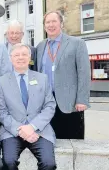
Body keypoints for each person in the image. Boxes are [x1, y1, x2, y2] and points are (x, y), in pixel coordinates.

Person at [0, 43, 56, 170]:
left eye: (24, 54)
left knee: (49, 164)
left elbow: (50, 106)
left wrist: (32, 127)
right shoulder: (1, 82)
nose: (20, 57)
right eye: (16, 55)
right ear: (11, 58)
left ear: (30, 58)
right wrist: (20, 130)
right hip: (12, 131)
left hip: (40, 130)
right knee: (8, 162)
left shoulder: (42, 78)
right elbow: (1, 112)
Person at [36, 11, 90, 139]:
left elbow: (84, 73)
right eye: (47, 22)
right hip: (46, 102)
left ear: (61, 23)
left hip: (69, 103)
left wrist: (82, 99)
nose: (51, 25)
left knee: (72, 141)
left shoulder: (77, 43)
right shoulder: (40, 46)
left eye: (54, 21)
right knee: (49, 141)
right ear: (44, 26)